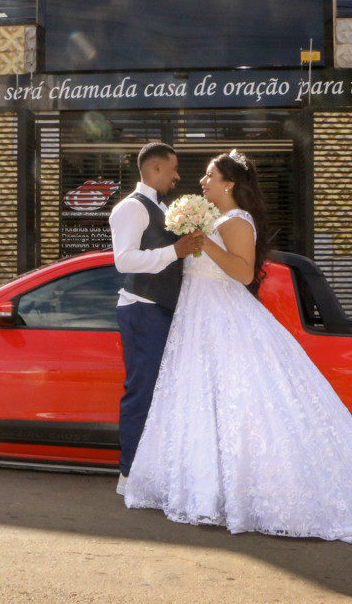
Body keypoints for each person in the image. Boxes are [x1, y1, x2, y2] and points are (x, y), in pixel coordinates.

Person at [124, 150, 352, 544]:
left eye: (210, 175)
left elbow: (242, 272)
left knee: (243, 406)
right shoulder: (212, 218)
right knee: (204, 404)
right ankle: (208, 491)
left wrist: (204, 242)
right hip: (197, 321)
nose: (202, 182)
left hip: (224, 320)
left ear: (229, 184)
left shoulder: (236, 220)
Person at [110, 142, 204, 496]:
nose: (179, 176)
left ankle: (153, 472)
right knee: (142, 393)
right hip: (142, 309)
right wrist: (175, 250)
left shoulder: (162, 207)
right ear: (155, 169)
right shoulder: (130, 209)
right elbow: (124, 260)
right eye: (174, 169)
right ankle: (129, 476)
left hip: (160, 310)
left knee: (161, 395)